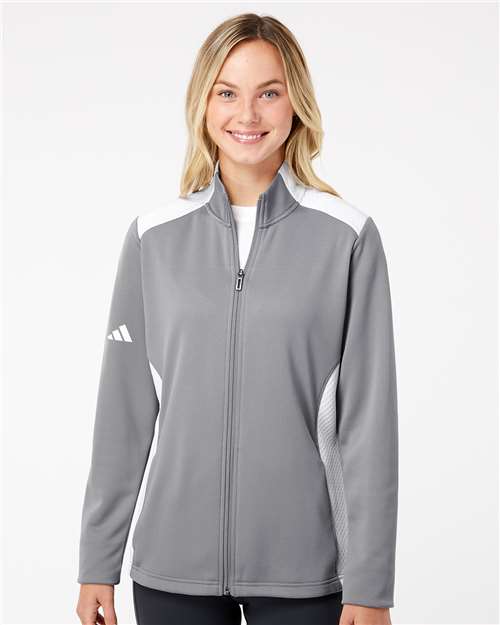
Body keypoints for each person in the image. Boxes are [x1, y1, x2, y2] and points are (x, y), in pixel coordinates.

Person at [76, 12, 399, 625]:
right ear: (203, 103)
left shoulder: (347, 237)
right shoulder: (152, 239)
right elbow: (123, 414)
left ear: (296, 103)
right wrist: (98, 560)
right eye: (227, 93)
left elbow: (369, 425)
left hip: (308, 571)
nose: (247, 114)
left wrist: (371, 585)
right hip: (172, 569)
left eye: (268, 93)